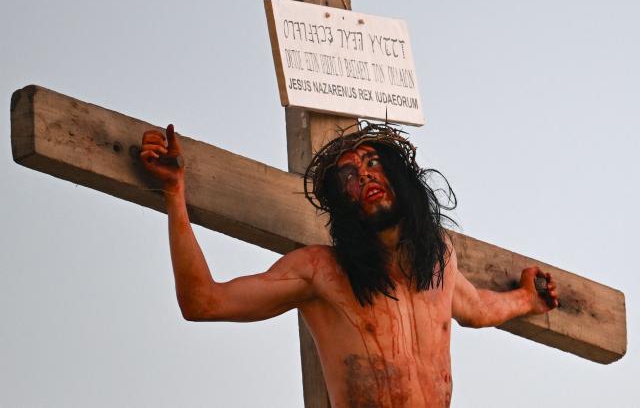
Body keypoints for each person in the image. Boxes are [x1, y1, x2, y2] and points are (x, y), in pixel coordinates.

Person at [140, 121, 558, 408]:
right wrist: (175, 194)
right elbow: (203, 302)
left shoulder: (440, 260)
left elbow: (479, 309)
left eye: (374, 164)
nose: (365, 177)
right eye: (349, 178)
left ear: (401, 179)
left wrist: (527, 298)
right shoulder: (321, 272)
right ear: (343, 204)